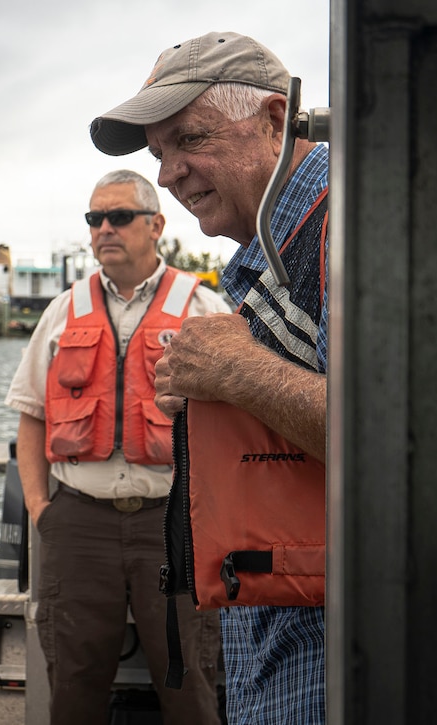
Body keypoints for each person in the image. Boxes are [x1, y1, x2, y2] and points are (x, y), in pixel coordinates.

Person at [90, 31, 330, 723]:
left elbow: (407, 442)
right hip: (286, 630)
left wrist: (237, 369)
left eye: (189, 138)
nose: (167, 172)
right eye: (159, 152)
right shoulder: (277, 249)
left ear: (276, 123)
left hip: (335, 643)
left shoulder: (341, 232)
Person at [5, 169, 228, 724]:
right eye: (94, 218)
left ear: (156, 225)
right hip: (78, 524)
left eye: (119, 216)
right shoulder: (62, 312)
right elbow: (30, 417)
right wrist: (42, 511)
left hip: (175, 524)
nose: (104, 228)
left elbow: (239, 430)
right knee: (75, 687)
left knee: (189, 682)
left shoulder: (205, 311)